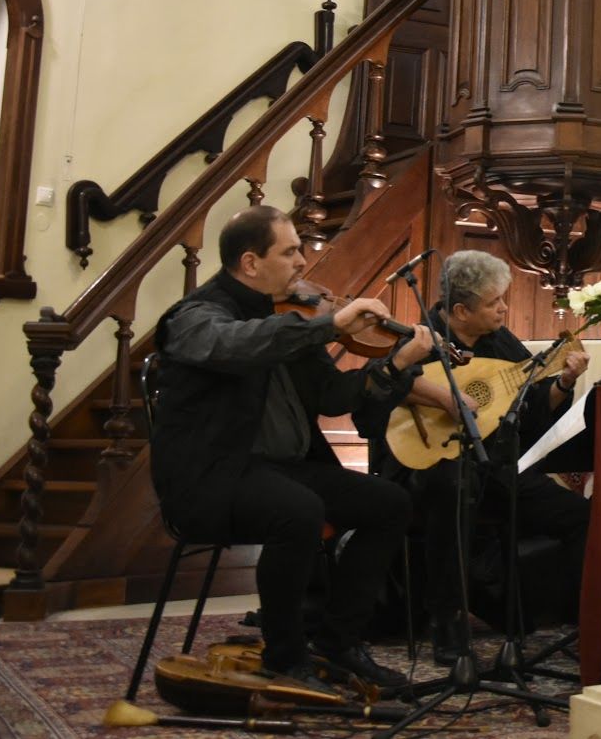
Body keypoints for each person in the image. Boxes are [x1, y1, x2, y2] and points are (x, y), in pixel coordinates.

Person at [151, 206, 429, 693]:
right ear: (250, 262)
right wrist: (330, 326)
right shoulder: (196, 316)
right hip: (210, 478)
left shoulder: (289, 315)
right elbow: (234, 344)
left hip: (278, 470)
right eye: (290, 251)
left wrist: (395, 365)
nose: (302, 262)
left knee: (390, 503)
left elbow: (332, 397)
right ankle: (285, 656)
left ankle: (338, 642)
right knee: (298, 511)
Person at [371, 251, 590, 666]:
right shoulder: (420, 339)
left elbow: (531, 411)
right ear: (460, 311)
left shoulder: (501, 342)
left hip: (497, 466)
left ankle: (585, 619)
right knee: (454, 489)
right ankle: (447, 619)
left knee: (581, 516)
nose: (504, 308)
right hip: (428, 469)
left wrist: (562, 382)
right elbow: (384, 386)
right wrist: (444, 398)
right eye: (494, 302)